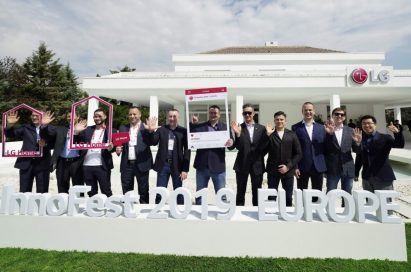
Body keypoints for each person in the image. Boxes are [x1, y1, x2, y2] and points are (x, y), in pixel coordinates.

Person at [143, 109, 191, 205]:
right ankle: (158, 210)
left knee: (179, 191)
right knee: (160, 191)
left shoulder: (183, 131)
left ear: (178, 117)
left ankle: (180, 210)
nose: (172, 118)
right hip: (163, 165)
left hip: (177, 165)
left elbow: (187, 150)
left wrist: (185, 169)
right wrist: (151, 131)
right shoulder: (162, 129)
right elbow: (153, 142)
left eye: (174, 116)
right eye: (170, 116)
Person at [190, 105, 233, 205]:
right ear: (209, 114)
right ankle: (199, 213)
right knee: (200, 195)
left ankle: (222, 213)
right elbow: (191, 139)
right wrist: (193, 125)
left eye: (215, 113)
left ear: (219, 114)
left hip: (218, 167)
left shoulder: (225, 127)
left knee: (221, 195)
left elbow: (231, 145)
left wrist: (232, 142)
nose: (213, 115)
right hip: (202, 167)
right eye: (211, 113)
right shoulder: (200, 126)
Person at [5, 110, 54, 193]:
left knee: (42, 192)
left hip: (42, 164)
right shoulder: (26, 127)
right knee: (24, 192)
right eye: (32, 115)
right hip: (26, 163)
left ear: (43, 116)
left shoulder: (51, 128)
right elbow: (11, 135)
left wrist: (46, 144)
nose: (34, 117)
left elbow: (53, 143)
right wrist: (9, 125)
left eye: (36, 115)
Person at [352, 115, 404, 192]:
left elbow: (399, 145)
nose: (366, 125)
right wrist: (356, 173)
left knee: (385, 202)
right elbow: (359, 157)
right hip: (367, 178)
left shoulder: (385, 137)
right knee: (370, 203)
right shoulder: (360, 139)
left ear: (375, 124)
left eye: (369, 123)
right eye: (364, 123)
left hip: (383, 177)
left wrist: (398, 134)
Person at [230, 104, 267, 206]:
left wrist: (258, 155)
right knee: (240, 191)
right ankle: (238, 211)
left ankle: (257, 212)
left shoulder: (262, 128)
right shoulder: (238, 127)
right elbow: (238, 146)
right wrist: (238, 134)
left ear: (253, 114)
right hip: (241, 164)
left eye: (249, 113)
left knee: (257, 192)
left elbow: (265, 147)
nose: (247, 115)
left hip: (257, 164)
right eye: (244, 113)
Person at [74, 108, 114, 197]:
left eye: (99, 116)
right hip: (87, 165)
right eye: (95, 116)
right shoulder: (87, 129)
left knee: (106, 190)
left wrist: (111, 148)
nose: (97, 118)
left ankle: (109, 209)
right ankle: (94, 209)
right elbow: (76, 143)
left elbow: (114, 146)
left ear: (105, 116)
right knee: (91, 192)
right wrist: (76, 133)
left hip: (102, 165)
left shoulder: (111, 130)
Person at [116, 106, 153, 203]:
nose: (132, 116)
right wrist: (118, 149)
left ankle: (144, 209)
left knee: (143, 189)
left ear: (140, 115)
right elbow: (119, 144)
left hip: (142, 163)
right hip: (127, 163)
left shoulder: (146, 128)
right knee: (126, 189)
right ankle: (128, 209)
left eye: (135, 114)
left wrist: (150, 131)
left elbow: (152, 142)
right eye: (130, 114)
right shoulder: (123, 128)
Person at [264, 111, 302, 206]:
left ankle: (287, 217)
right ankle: (271, 215)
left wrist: (288, 167)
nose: (279, 121)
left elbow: (298, 153)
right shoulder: (270, 134)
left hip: (288, 171)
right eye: (277, 119)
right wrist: (267, 136)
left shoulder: (292, 134)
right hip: (272, 170)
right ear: (274, 121)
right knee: (271, 196)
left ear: (285, 121)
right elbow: (262, 150)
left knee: (288, 197)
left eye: (281, 119)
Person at [291, 102, 327, 201]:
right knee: (302, 194)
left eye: (310, 110)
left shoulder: (322, 128)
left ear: (314, 111)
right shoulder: (295, 127)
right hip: (302, 166)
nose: (308, 112)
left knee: (317, 194)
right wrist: (295, 166)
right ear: (302, 112)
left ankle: (315, 213)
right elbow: (294, 149)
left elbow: (326, 147)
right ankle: (302, 214)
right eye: (306, 110)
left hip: (318, 166)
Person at [44, 110, 84, 193]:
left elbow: (85, 143)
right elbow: (48, 134)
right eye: (68, 116)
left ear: (78, 117)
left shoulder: (84, 129)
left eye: (73, 116)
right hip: (62, 162)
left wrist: (77, 132)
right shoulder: (60, 128)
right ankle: (64, 205)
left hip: (77, 162)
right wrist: (44, 125)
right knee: (62, 187)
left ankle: (80, 205)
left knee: (79, 188)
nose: (70, 118)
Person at [324, 107, 357, 205]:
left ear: (344, 117)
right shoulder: (325, 129)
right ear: (332, 116)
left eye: (342, 114)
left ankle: (346, 213)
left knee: (347, 193)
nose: (339, 116)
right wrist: (329, 135)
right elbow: (324, 148)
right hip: (332, 167)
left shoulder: (351, 130)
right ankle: (329, 213)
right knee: (330, 192)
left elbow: (357, 150)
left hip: (348, 167)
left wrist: (358, 142)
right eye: (337, 114)